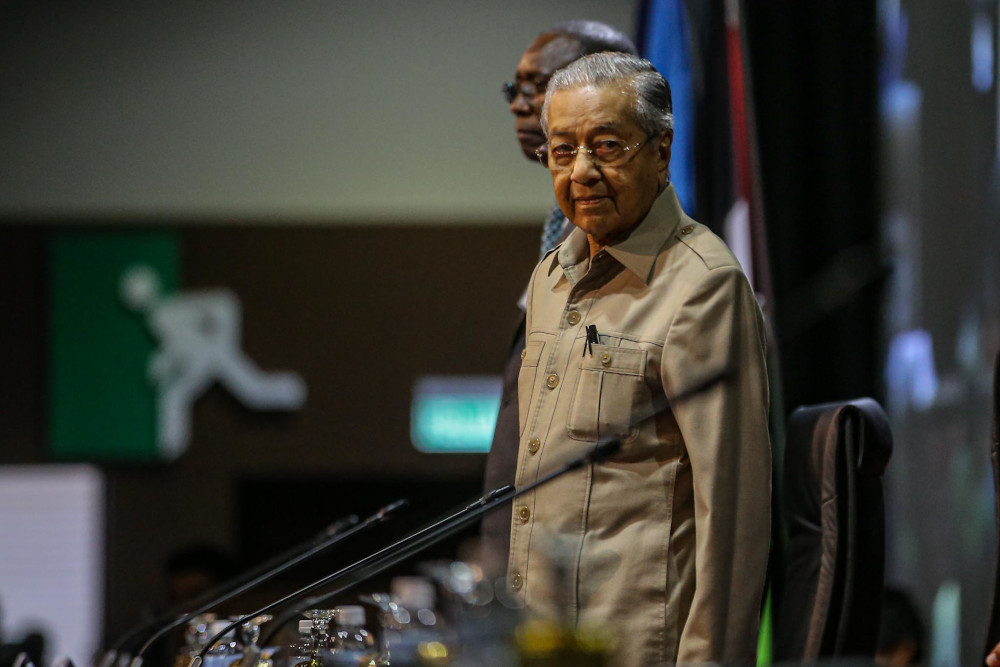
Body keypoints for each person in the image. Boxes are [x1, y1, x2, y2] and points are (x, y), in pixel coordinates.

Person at [507, 52, 771, 665]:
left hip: (636, 648)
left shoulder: (702, 286)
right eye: (563, 149)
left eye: (607, 145)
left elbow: (732, 517)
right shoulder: (551, 277)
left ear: (661, 150)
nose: (583, 171)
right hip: (547, 645)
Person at [480, 21, 637, 575]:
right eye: (514, 90)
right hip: (531, 572)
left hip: (604, 585)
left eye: (537, 86)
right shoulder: (560, 238)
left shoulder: (665, 260)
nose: (520, 107)